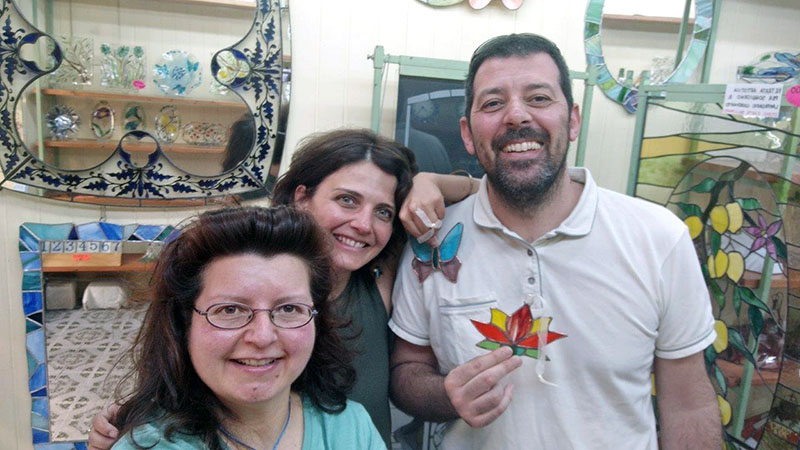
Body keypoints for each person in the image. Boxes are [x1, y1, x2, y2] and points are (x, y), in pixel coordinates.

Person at [388, 33, 721, 449]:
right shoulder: (433, 244)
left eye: (539, 98)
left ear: (573, 120)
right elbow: (407, 369)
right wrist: (446, 394)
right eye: (493, 103)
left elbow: (688, 405)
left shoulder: (658, 238)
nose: (516, 115)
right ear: (468, 134)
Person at [90, 128, 477, 449]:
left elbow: (481, 191)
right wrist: (131, 428)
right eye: (346, 200)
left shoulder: (380, 279)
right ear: (302, 198)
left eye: (383, 211)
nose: (363, 224)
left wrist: (428, 182)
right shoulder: (229, 275)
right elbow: (175, 378)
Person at [109, 206, 385, 449]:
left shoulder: (351, 428)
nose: (263, 336)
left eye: (289, 309)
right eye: (230, 310)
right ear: (184, 323)